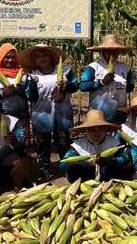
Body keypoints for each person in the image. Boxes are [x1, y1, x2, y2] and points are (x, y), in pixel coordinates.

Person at [18, 44, 78, 177]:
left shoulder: (66, 71)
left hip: (62, 115)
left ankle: (67, 169)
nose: (42, 58)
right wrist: (32, 85)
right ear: (35, 60)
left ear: (51, 57)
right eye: (38, 56)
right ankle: (44, 171)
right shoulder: (33, 75)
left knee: (63, 143)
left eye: (45, 55)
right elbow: (30, 96)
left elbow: (75, 87)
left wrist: (67, 85)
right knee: (42, 145)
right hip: (41, 115)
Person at [60, 109, 129, 182]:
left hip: (109, 181)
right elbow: (63, 165)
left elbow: (125, 158)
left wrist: (109, 161)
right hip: (85, 182)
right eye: (92, 130)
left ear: (105, 129)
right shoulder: (78, 145)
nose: (96, 133)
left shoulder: (113, 142)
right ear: (86, 130)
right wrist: (85, 164)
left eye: (100, 129)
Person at [80, 34, 135, 124]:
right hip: (98, 115)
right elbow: (82, 86)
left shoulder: (125, 68)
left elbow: (130, 87)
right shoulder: (94, 67)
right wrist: (101, 82)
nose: (112, 54)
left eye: (115, 51)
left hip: (119, 115)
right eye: (109, 51)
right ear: (103, 51)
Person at [0, 43, 38, 126]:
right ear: (1, 57)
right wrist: (1, 93)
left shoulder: (23, 74)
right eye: (7, 57)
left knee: (21, 138)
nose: (10, 60)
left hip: (21, 118)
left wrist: (22, 92)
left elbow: (32, 96)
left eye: (13, 57)